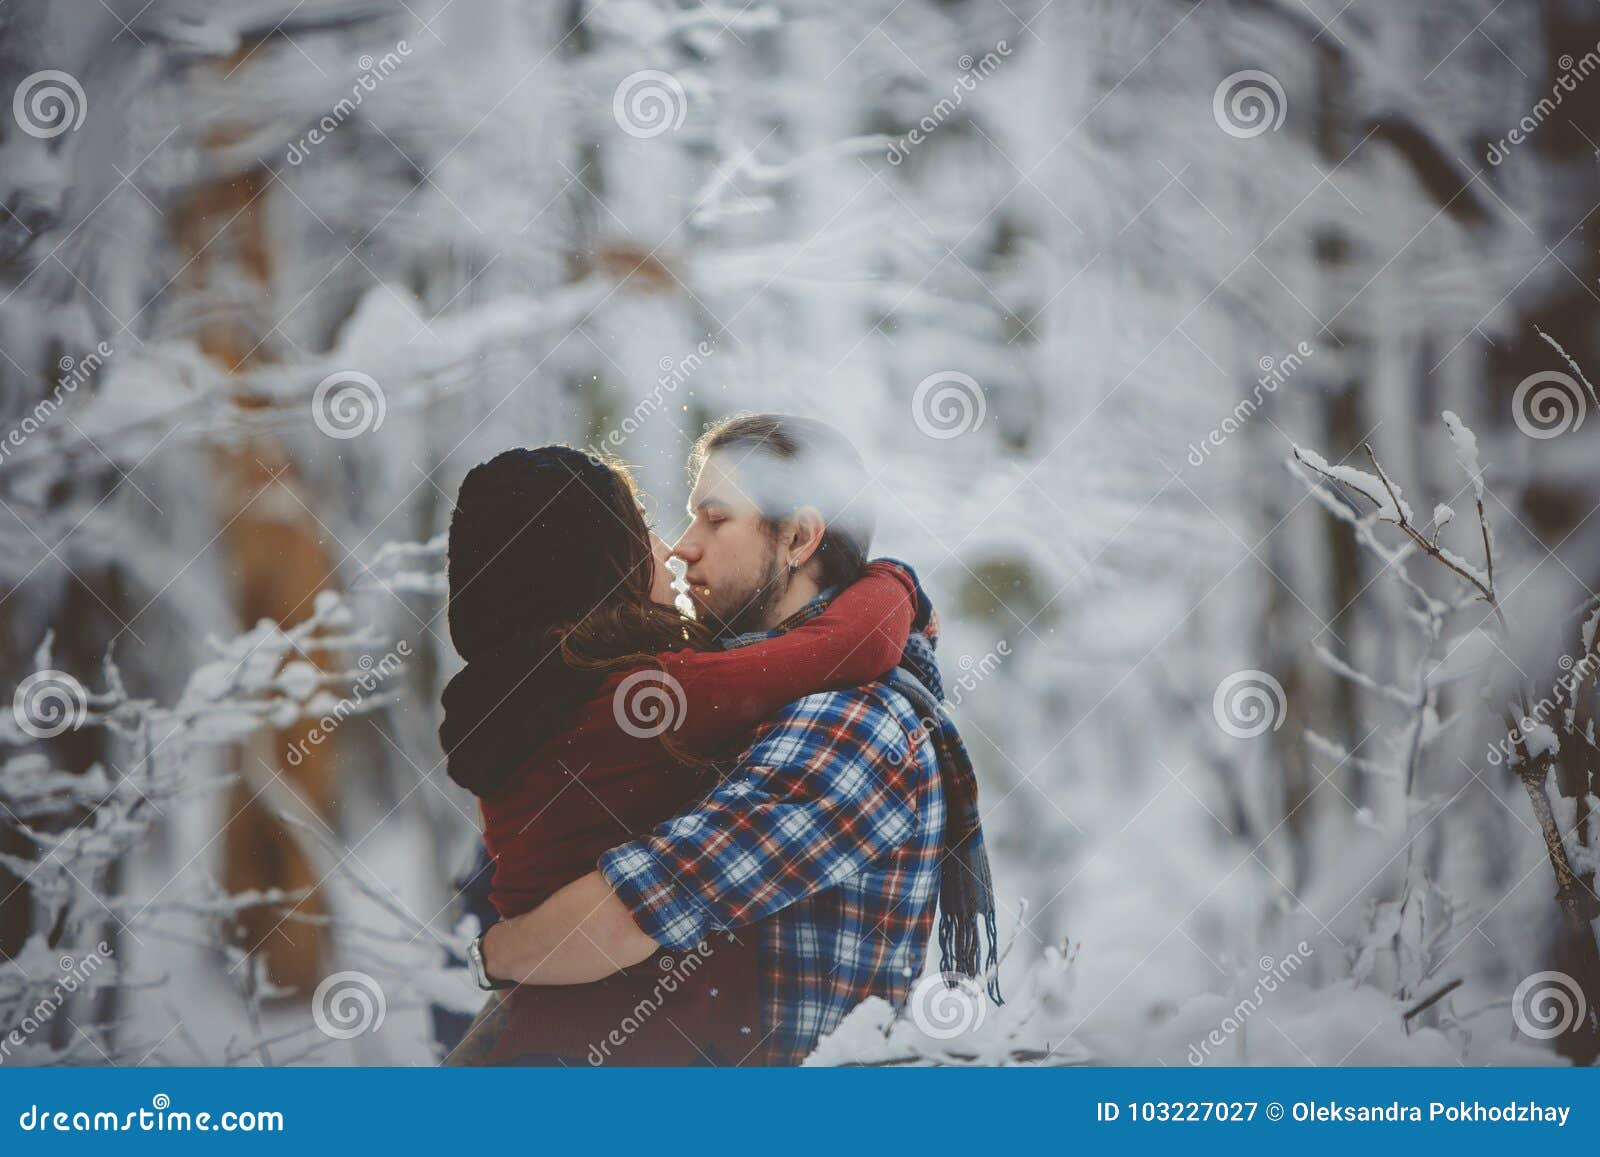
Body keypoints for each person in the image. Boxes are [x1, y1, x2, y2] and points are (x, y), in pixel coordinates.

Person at [481, 415, 1000, 1065]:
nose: (682, 546)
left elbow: (644, 901)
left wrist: (495, 951)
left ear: (799, 538)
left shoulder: (853, 726)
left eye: (715, 518)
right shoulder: (763, 700)